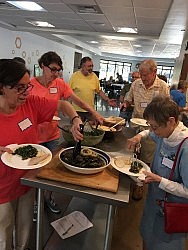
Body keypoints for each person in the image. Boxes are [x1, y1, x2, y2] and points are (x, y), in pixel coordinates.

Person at [0, 59, 83, 250]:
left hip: (28, 180)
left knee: (25, 228)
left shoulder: (30, 103)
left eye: (27, 86)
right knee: (3, 234)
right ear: (3, 87)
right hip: (2, 186)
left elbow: (63, 104)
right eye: (20, 88)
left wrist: (75, 119)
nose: (26, 92)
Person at [30, 51, 103, 216]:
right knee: (35, 173)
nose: (56, 74)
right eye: (53, 70)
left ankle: (48, 198)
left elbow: (78, 101)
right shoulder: (31, 86)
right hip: (35, 137)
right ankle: (36, 203)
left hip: (53, 135)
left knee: (52, 171)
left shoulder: (60, 84)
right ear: (43, 66)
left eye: (58, 70)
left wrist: (94, 113)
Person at [127, 96, 188, 250]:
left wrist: (159, 180)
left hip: (172, 209)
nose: (153, 130)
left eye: (155, 127)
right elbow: (149, 133)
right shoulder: (165, 133)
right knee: (147, 236)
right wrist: (138, 136)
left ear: (171, 121)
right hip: (154, 202)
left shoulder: (185, 147)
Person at [121, 59, 169, 200]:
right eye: (140, 75)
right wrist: (125, 103)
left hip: (153, 130)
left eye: (145, 75)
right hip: (135, 126)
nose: (142, 78)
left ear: (154, 72)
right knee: (132, 155)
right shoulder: (136, 84)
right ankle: (130, 182)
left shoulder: (163, 87)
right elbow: (129, 99)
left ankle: (140, 186)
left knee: (147, 158)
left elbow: (166, 109)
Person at [69, 56, 117, 121]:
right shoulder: (74, 76)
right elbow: (68, 92)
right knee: (76, 129)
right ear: (83, 66)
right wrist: (66, 107)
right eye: (89, 66)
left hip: (90, 110)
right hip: (76, 110)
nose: (91, 68)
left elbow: (99, 91)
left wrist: (107, 100)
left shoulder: (94, 76)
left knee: (91, 129)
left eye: (92, 66)